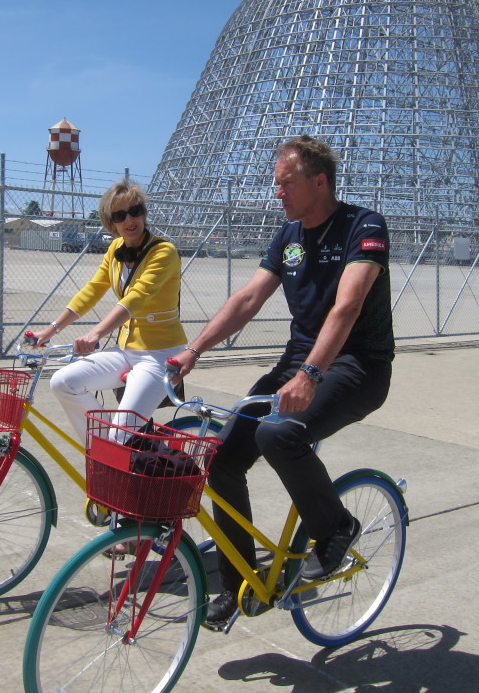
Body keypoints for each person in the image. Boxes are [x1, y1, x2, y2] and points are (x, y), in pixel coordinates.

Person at [172, 135, 395, 629]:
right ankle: (239, 584)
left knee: (280, 432)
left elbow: (349, 304)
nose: (278, 192)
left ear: (320, 182)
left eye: (286, 183)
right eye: (276, 184)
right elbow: (248, 299)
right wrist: (193, 350)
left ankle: (336, 528)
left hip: (358, 363)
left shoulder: (365, 225)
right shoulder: (289, 235)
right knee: (221, 459)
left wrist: (311, 375)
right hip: (300, 361)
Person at [31, 179, 187, 441]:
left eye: (136, 210)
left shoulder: (164, 252)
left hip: (159, 355)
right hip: (126, 350)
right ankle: (105, 449)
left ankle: (112, 449)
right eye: (120, 215)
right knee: (63, 382)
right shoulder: (115, 249)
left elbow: (138, 296)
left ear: (144, 213)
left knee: (120, 435)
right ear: (110, 221)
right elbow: (92, 290)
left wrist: (95, 334)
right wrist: (50, 330)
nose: (130, 219)